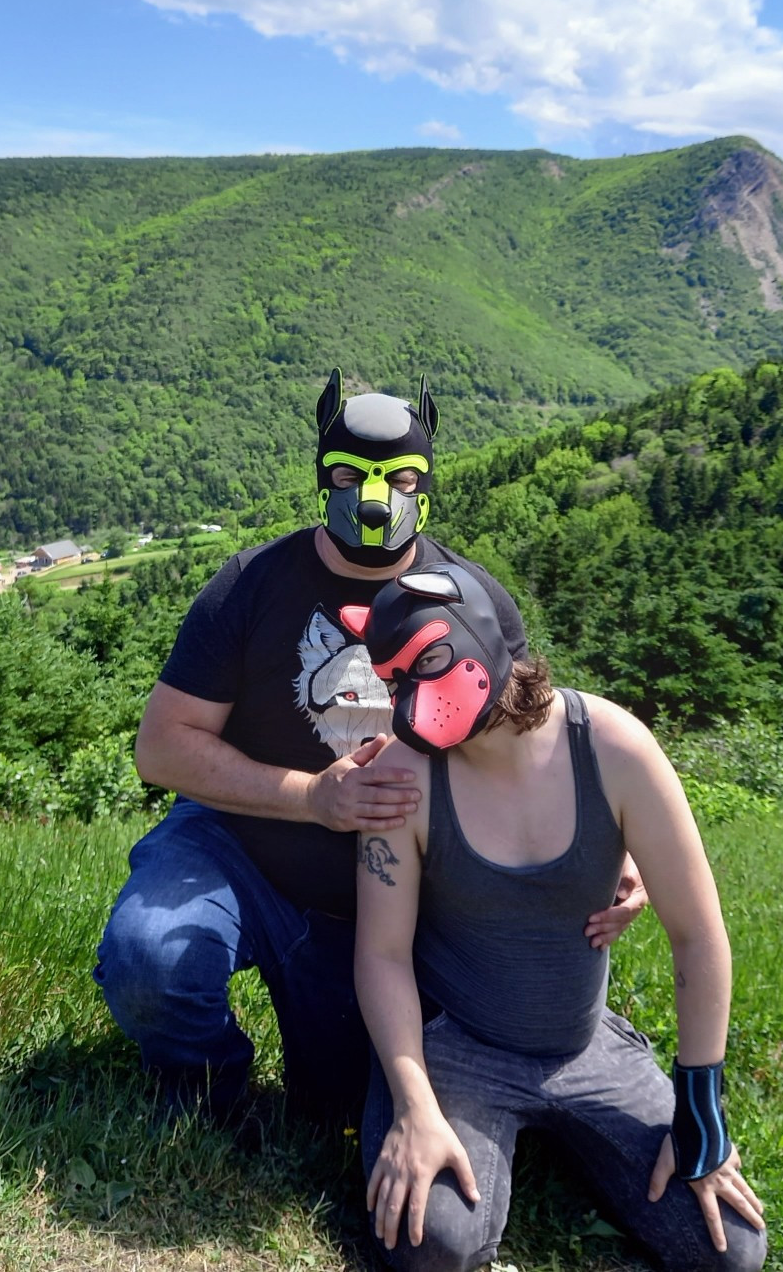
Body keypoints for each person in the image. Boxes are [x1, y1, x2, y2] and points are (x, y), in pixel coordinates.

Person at [95, 372, 647, 1131]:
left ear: (427, 484)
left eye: (401, 478)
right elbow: (160, 748)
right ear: (321, 476)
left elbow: (537, 741)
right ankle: (208, 1093)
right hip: (244, 849)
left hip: (397, 897)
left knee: (343, 1108)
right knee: (151, 959)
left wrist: (614, 843)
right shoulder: (250, 585)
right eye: (349, 475)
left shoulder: (472, 597)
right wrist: (312, 798)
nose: (375, 497)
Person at [353, 563, 766, 1272]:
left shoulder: (613, 747)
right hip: (459, 1044)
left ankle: (583, 1146)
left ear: (485, 638)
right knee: (431, 1241)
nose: (406, 705)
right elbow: (382, 953)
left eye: (424, 665)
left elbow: (698, 935)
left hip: (584, 1045)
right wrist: (414, 1104)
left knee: (730, 1247)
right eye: (394, 681)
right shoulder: (402, 776)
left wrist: (701, 1112)